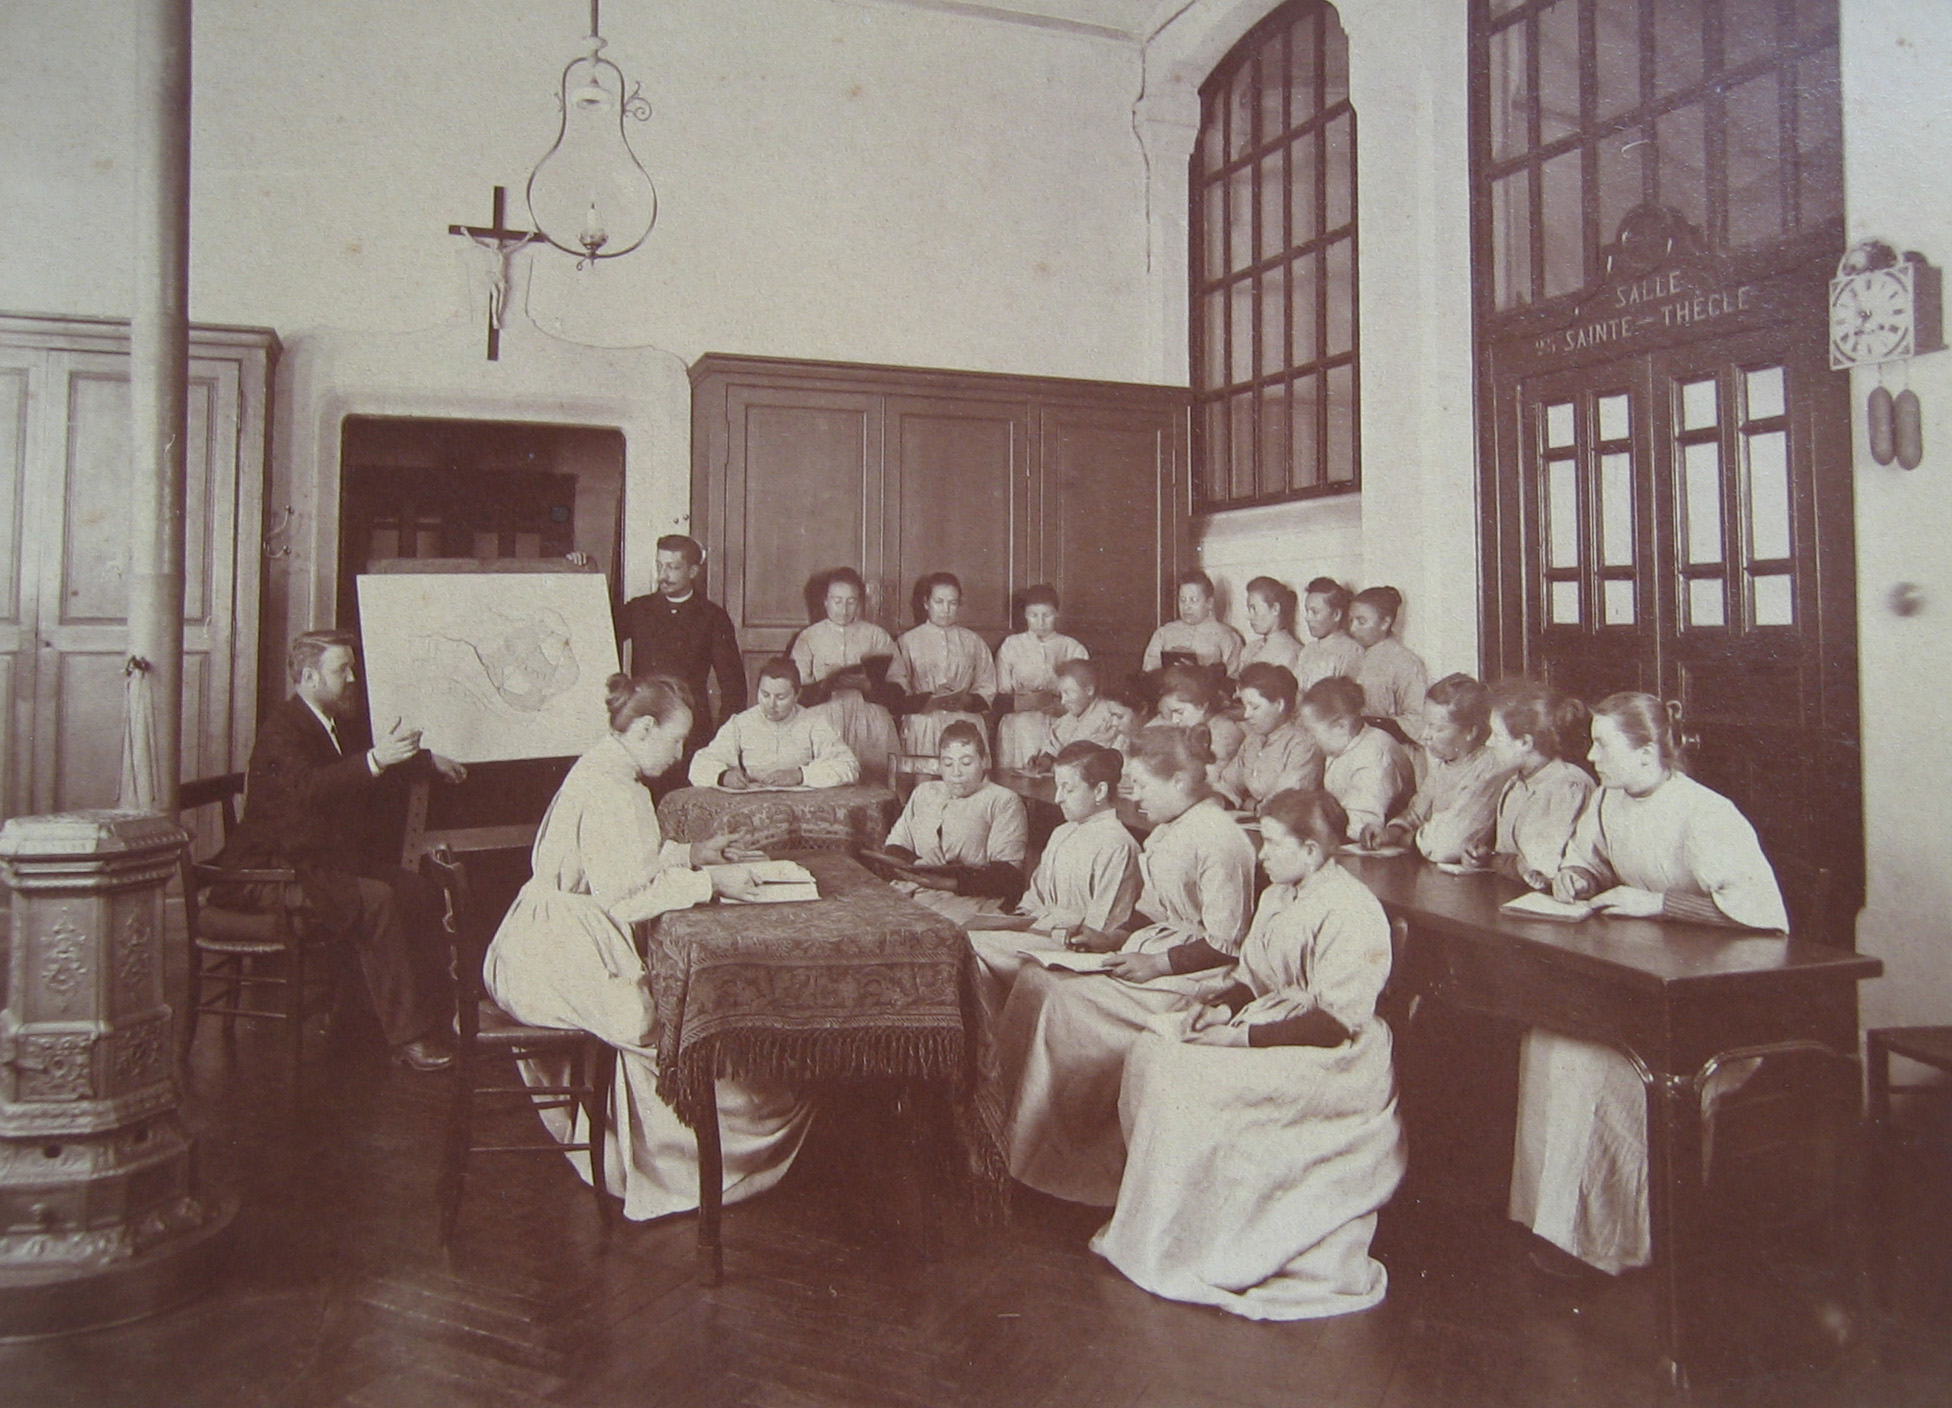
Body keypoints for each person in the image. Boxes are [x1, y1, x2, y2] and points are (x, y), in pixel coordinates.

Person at [483, 672, 813, 1222]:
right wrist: (714, 883)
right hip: (555, 951)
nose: (681, 752)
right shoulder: (617, 789)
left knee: (662, 1004)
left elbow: (620, 862)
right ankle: (694, 1163)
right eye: (676, 738)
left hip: (538, 935)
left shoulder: (602, 765)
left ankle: (648, 1149)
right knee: (664, 1022)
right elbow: (627, 896)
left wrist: (694, 854)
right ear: (642, 728)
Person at [1093, 788, 1406, 1321]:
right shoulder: (1278, 895)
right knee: (1154, 1050)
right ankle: (1168, 1228)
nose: (1259, 855)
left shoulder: (1353, 909)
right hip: (1275, 1022)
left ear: (1311, 852)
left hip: (1336, 1055)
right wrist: (1218, 1009)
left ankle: (1215, 1244)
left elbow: (1334, 1022)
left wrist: (1239, 1039)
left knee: (1191, 1080)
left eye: (1273, 845)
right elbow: (1252, 979)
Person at [1511, 693, 1789, 1277]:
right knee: (1549, 1040)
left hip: (1720, 1001)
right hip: (1650, 984)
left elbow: (1760, 913)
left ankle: (1613, 1242)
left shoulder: (1706, 812)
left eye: (1603, 745)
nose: (1591, 756)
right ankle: (1556, 1225)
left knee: (1592, 1064)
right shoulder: (1610, 798)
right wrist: (1575, 878)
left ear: (1647, 753)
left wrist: (1657, 902)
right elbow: (1592, 858)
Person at [997, 726, 1258, 1206]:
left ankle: (1066, 1160)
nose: (1131, 795)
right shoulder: (1169, 830)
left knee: (1066, 1003)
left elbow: (1228, 944)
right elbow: (1156, 909)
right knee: (1036, 979)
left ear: (1179, 780)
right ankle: (1011, 1137)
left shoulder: (1221, 838)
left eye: (1140, 783)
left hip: (1197, 978)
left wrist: (1155, 962)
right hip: (1156, 952)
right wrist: (1113, 936)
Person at [215, 629, 465, 1072]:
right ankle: (409, 1038)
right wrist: (376, 759)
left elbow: (365, 764)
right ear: (310, 676)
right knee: (380, 901)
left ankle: (433, 1019)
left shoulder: (329, 723)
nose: (352, 679)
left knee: (416, 890)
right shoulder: (282, 730)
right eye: (342, 670)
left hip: (313, 862)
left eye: (351, 668)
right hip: (271, 874)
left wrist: (427, 761)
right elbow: (310, 788)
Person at [965, 742, 1142, 1026]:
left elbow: (1099, 933)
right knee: (970, 947)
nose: (1058, 797)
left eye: (1068, 789)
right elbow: (1034, 896)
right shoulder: (1061, 833)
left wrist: (1042, 930)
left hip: (1070, 953)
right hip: (1037, 933)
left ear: (1099, 791)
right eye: (1058, 787)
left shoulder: (1119, 845)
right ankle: (991, 1038)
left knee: (971, 948)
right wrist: (1015, 921)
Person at [868, 720, 1028, 926]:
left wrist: (947, 879)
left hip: (967, 901)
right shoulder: (925, 793)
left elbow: (1009, 876)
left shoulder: (1003, 800)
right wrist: (918, 862)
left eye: (966, 762)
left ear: (984, 760)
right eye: (948, 763)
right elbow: (893, 848)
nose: (956, 773)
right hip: (914, 892)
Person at [616, 535, 746, 777]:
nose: (663, 574)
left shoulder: (712, 617)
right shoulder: (637, 610)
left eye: (673, 567)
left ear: (693, 570)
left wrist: (720, 740)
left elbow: (734, 687)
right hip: (643, 726)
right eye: (659, 565)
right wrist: (579, 571)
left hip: (691, 731)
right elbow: (594, 639)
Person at [1367, 674, 1514, 862]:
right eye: (1426, 725)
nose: (1425, 735)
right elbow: (1417, 812)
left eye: (1437, 728)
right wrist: (1393, 831)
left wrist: (1408, 839)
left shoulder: (1489, 769)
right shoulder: (1445, 764)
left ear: (1471, 731)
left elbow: (1448, 845)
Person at [1465, 680, 1595, 888]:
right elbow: (1515, 859)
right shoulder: (1514, 784)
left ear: (1525, 742)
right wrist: (1484, 855)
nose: (1488, 743)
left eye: (1497, 735)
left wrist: (1494, 859)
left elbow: (1540, 868)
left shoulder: (1568, 786)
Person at [789, 567, 902, 783]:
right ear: (825, 601)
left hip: (870, 724)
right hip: (825, 720)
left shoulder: (877, 636)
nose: (844, 608)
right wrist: (827, 684)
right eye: (837, 600)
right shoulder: (808, 638)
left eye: (851, 601)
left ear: (860, 602)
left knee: (873, 782)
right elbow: (796, 690)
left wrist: (868, 686)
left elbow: (899, 688)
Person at [687, 657, 860, 790]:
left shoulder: (814, 722)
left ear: (796, 695)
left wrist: (801, 775)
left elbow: (848, 766)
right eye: (765, 695)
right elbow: (699, 764)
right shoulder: (740, 723)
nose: (771, 704)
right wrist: (723, 776)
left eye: (781, 697)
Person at [887, 573, 997, 759]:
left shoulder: (973, 641)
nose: (945, 609)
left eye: (952, 603)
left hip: (965, 722)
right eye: (939, 602)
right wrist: (927, 699)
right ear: (926, 603)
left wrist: (967, 700)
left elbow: (987, 683)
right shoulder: (908, 641)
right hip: (924, 722)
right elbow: (897, 684)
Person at [1299, 676, 1415, 844]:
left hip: (1379, 848)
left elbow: (1360, 825)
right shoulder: (1341, 745)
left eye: (1311, 731)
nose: (1308, 738)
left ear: (1340, 727)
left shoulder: (1374, 752)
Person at [994, 585, 1089, 771]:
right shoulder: (1012, 646)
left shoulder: (1072, 647)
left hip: (1061, 721)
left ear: (1057, 614)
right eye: (1034, 615)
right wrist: (1029, 701)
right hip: (1021, 725)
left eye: (1047, 615)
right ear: (1025, 615)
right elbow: (1000, 694)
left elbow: (1085, 693)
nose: (1041, 622)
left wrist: (1061, 704)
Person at [1214, 661, 1320, 812]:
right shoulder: (1253, 740)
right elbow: (1228, 784)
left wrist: (1254, 805)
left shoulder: (1303, 744)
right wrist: (1218, 800)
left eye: (1255, 707)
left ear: (1279, 704)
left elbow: (1287, 801)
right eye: (1245, 706)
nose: (1246, 714)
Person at [1350, 586, 1430, 745]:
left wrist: (1374, 723)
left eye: (1361, 621)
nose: (1353, 628)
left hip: (1394, 751)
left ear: (1385, 623)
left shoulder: (1405, 662)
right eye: (1351, 621)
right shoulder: (1353, 656)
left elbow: (1418, 721)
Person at [1027, 659, 1127, 771]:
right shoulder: (1067, 719)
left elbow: (1089, 761)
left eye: (1068, 693)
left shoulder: (1109, 717)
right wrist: (1045, 760)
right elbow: (1054, 746)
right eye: (1061, 694)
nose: (1063, 701)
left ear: (1089, 690)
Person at [1142, 570, 1244, 675]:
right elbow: (1148, 672)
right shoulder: (1163, 633)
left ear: (1209, 603)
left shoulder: (1227, 636)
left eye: (1193, 600)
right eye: (1182, 600)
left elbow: (1233, 680)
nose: (1187, 607)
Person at [1153, 663, 1245, 777]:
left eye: (1179, 712)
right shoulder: (1193, 728)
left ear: (1202, 705)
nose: (1174, 720)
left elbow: (1210, 782)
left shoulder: (1224, 736)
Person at [1295, 576, 1365, 691]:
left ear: (1336, 614)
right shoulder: (1308, 650)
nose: (1307, 618)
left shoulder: (1351, 651)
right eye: (1307, 611)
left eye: (1315, 612)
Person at [1238, 576, 1304, 675]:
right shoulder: (1249, 649)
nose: (1249, 616)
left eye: (1254, 609)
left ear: (1275, 609)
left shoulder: (1292, 652)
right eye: (1249, 610)